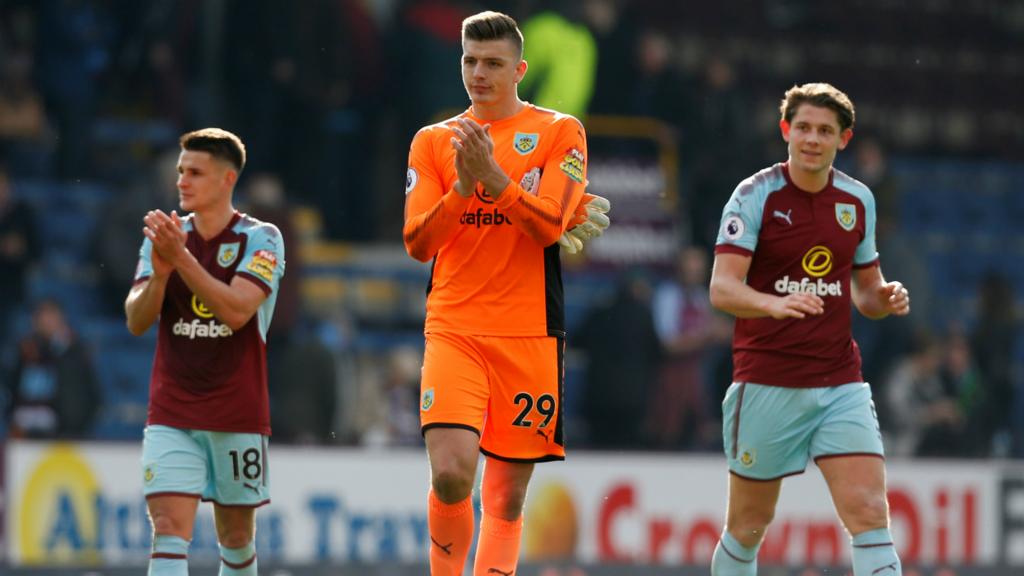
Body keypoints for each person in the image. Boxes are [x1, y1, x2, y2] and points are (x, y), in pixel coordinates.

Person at [402, 11, 604, 576]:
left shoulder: (561, 131)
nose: (479, 73)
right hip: (454, 328)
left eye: (492, 63)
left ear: (520, 69)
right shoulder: (434, 140)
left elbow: (549, 226)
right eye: (469, 60)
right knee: (450, 474)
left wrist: (495, 180)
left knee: (506, 499)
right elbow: (418, 243)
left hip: (530, 333)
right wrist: (464, 187)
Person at [708, 83, 910, 575]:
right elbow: (722, 289)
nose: (812, 139)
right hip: (767, 381)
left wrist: (883, 299)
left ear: (844, 139)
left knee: (869, 512)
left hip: (840, 381)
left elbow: (865, 291)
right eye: (803, 128)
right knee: (748, 526)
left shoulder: (857, 201)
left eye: (824, 131)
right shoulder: (754, 195)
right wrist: (772, 304)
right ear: (785, 131)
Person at [124, 128, 286, 576]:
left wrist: (181, 260)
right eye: (180, 171)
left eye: (195, 172)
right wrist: (158, 276)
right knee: (168, 528)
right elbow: (136, 320)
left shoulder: (262, 239)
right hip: (172, 409)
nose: (182, 181)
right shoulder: (166, 239)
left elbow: (237, 312)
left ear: (226, 179)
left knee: (235, 539)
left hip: (235, 411)